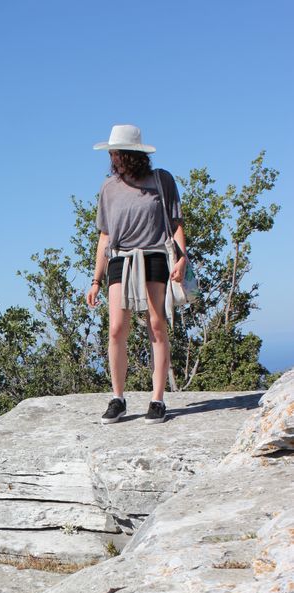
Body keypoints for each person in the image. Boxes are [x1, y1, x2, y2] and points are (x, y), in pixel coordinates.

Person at [86, 124, 187, 424]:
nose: (113, 158)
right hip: (120, 259)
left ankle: (157, 400)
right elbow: (105, 235)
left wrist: (182, 259)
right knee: (117, 328)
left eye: (117, 153)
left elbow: (176, 222)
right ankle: (118, 398)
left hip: (154, 255)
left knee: (156, 325)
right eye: (111, 153)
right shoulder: (108, 187)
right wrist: (95, 280)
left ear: (132, 154)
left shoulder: (161, 179)